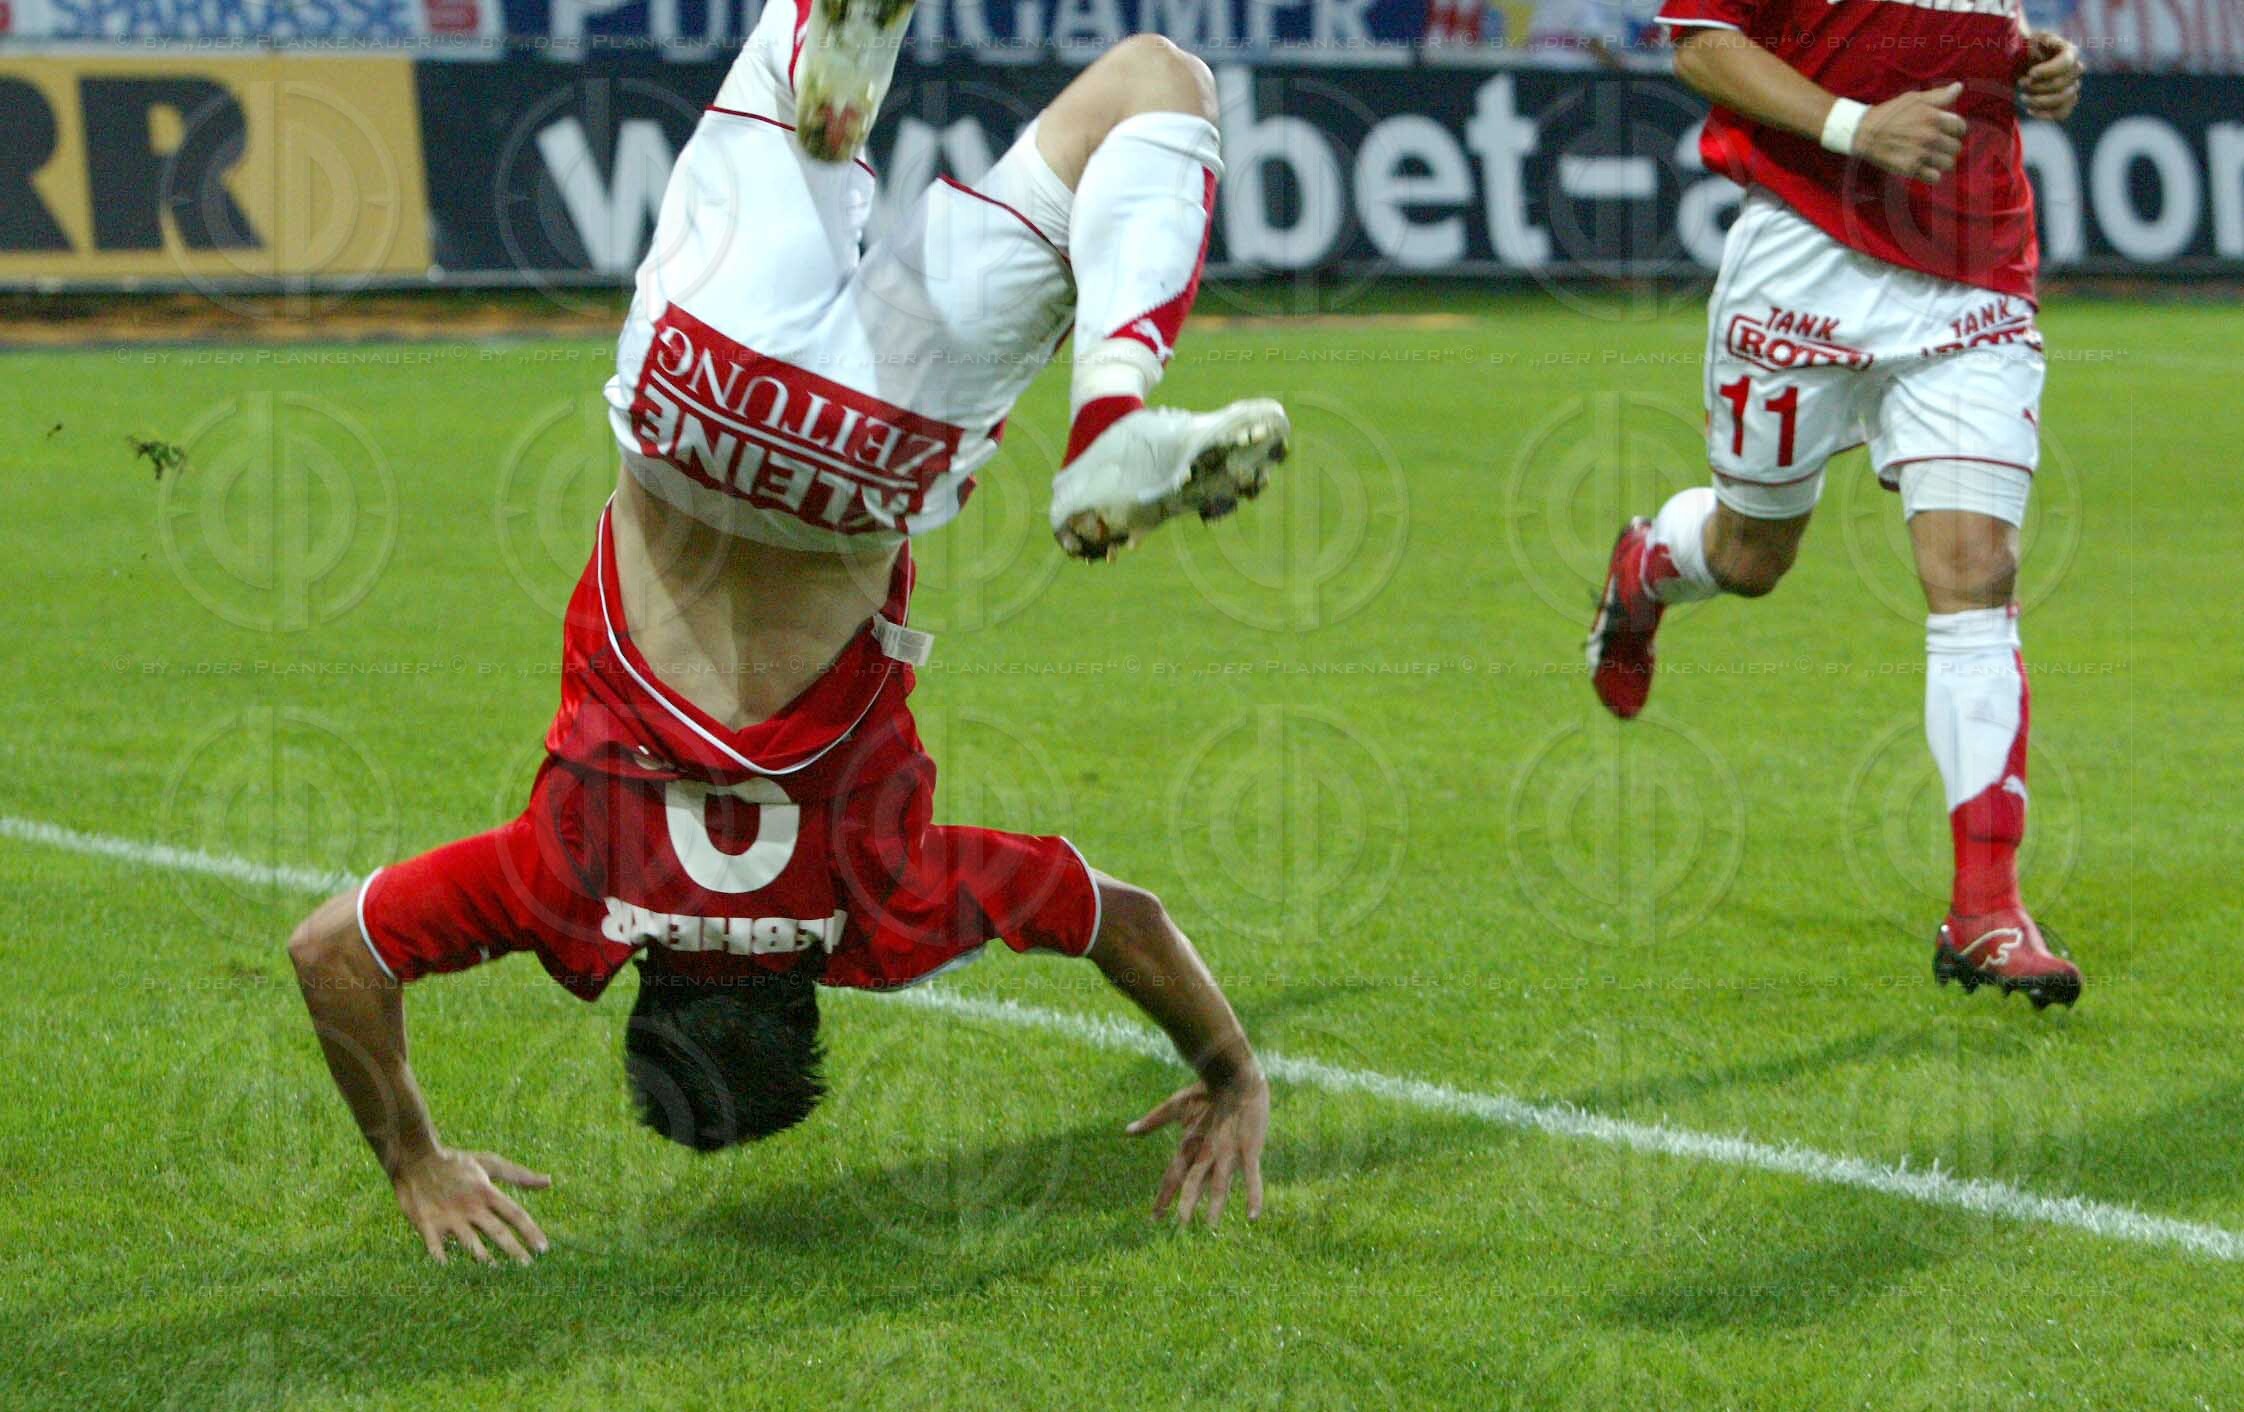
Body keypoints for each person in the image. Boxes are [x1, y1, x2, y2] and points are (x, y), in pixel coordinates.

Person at [287, 0, 1289, 1263]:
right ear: (641, 982)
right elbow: (333, 951)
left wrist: (1232, 1070)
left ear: (813, 998)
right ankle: (834, 72)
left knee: (1156, 81)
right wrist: (414, 1160)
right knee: (806, 62)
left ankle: (1112, 408)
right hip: (695, 403)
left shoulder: (878, 905)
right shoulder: (574, 883)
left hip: (870, 458)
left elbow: (1120, 916)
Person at [1584, 0, 2088, 1006]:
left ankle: (1986, 909)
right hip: (1804, 257)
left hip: (1974, 267)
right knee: (1751, 555)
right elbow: (1702, 44)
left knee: (1975, 569)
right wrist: (1858, 124)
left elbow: (1978, 35)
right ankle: (1649, 567)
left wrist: (2040, 64)